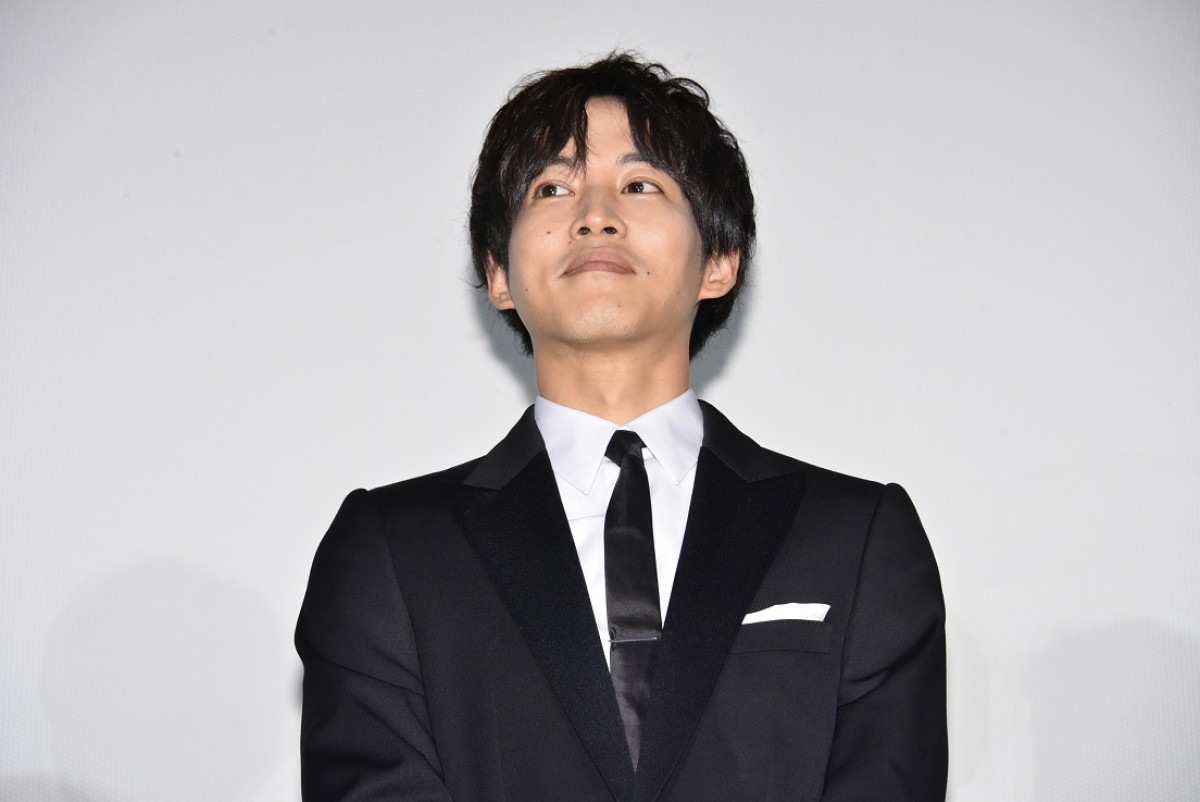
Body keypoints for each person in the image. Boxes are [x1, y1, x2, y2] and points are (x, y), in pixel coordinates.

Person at [295, 52, 947, 801]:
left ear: (720, 260)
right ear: (498, 273)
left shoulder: (858, 538)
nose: (595, 214)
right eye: (552, 188)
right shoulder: (389, 552)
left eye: (641, 185)